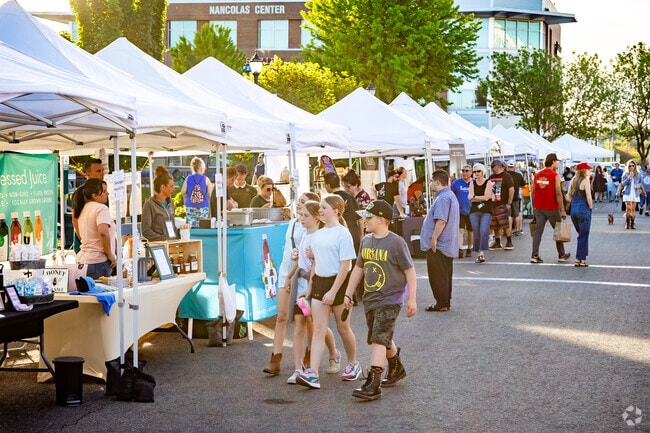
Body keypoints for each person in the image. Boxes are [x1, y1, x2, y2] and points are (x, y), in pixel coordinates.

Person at [342, 200, 417, 400]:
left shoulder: (396, 242)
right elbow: (358, 268)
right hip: (370, 299)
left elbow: (410, 270)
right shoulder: (366, 241)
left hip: (390, 299)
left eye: (368, 217)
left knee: (378, 336)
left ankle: (374, 381)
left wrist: (412, 298)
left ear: (381, 220)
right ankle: (396, 366)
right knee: (381, 337)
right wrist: (348, 294)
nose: (364, 221)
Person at [263, 193, 339, 379]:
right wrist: (289, 275)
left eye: (305, 205)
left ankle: (324, 355)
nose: (300, 207)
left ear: (316, 213)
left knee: (315, 323)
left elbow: (316, 258)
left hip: (308, 280)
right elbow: (296, 252)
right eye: (299, 204)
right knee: (285, 316)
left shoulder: (317, 232)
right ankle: (278, 357)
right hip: (291, 274)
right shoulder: (294, 224)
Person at [296, 195, 359, 389]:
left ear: (336, 210)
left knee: (342, 328)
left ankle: (353, 363)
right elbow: (316, 262)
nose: (320, 211)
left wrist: (333, 292)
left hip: (338, 284)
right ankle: (313, 373)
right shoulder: (319, 234)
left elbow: (346, 266)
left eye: (323, 208)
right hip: (320, 285)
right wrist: (310, 287)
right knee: (318, 330)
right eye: (320, 208)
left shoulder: (343, 234)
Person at [284, 200, 340, 384]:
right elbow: (300, 262)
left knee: (317, 324)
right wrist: (289, 277)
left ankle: (333, 352)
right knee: (299, 324)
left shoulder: (319, 236)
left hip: (313, 286)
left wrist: (310, 287)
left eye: (305, 216)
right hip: (301, 284)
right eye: (300, 215)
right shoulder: (304, 236)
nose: (301, 219)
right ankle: (298, 368)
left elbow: (318, 263)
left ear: (316, 217)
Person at [420, 169, 459, 312]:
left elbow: (441, 220)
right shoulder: (450, 195)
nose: (430, 184)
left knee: (437, 275)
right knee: (445, 274)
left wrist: (434, 238)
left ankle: (441, 302)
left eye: (431, 181)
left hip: (440, 245)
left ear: (437, 182)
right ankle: (444, 301)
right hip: (447, 244)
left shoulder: (443, 198)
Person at [530, 153, 570, 263]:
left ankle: (534, 255)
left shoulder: (537, 174)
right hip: (552, 207)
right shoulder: (554, 175)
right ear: (553, 162)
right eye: (556, 161)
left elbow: (534, 192)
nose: (557, 163)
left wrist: (534, 206)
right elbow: (558, 193)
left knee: (538, 232)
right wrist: (562, 210)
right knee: (558, 230)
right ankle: (561, 255)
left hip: (539, 207)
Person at [73, 178, 116, 280]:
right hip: (98, 261)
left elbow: (80, 234)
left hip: (83, 260)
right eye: (104, 191)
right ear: (94, 195)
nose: (108, 194)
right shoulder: (101, 209)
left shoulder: (82, 209)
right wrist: (110, 254)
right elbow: (103, 233)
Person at [72, 157, 105, 253]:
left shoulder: (103, 192)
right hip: (86, 249)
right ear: (88, 174)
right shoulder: (81, 192)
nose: (102, 174)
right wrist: (84, 241)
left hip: (100, 246)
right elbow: (75, 218)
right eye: (98, 171)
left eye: (102, 170)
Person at [323, 172, 362, 253]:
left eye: (325, 185)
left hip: (338, 238)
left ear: (328, 185)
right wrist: (361, 236)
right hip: (354, 236)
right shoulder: (350, 196)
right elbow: (360, 219)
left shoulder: (330, 200)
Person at [566, 162, 593, 267]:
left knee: (581, 234)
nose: (589, 171)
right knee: (583, 235)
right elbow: (588, 196)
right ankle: (580, 259)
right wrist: (590, 208)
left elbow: (568, 197)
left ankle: (581, 257)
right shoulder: (585, 180)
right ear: (584, 170)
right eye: (588, 169)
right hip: (583, 209)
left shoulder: (573, 180)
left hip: (574, 210)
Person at [142, 166, 177, 242]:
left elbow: (172, 227)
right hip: (158, 247)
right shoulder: (149, 204)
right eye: (171, 186)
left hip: (172, 245)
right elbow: (146, 230)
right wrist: (163, 238)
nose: (174, 189)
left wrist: (180, 232)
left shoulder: (171, 203)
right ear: (163, 187)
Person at [468, 163, 493, 264]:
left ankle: (482, 252)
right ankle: (479, 254)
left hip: (486, 210)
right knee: (476, 231)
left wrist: (475, 197)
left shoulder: (488, 182)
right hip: (474, 211)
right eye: (474, 171)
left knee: (483, 230)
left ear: (483, 172)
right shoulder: (472, 183)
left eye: (478, 171)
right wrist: (478, 198)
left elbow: (486, 197)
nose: (476, 173)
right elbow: (469, 197)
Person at [488, 160, 515, 251]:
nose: (492, 168)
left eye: (493, 166)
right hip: (492, 204)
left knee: (504, 224)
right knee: (495, 224)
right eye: (491, 166)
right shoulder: (491, 177)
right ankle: (497, 242)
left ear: (499, 166)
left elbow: (511, 189)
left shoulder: (506, 176)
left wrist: (509, 202)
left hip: (502, 203)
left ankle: (509, 241)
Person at [181, 157, 212, 227]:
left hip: (190, 206)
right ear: (202, 167)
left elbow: (183, 191)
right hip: (203, 207)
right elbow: (211, 195)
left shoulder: (188, 178)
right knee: (202, 226)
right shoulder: (206, 179)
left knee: (191, 226)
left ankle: (192, 237)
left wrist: (186, 197)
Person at [451, 164, 473, 258]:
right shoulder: (456, 183)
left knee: (470, 231)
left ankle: (469, 248)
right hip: (459, 210)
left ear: (471, 172)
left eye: (467, 171)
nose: (464, 173)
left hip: (472, 211)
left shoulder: (474, 183)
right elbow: (451, 195)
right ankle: (460, 249)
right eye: (463, 171)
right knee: (460, 230)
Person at [506, 160, 526, 236]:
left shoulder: (505, 175)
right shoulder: (518, 175)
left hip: (507, 197)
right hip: (516, 196)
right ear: (514, 167)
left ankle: (509, 230)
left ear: (507, 167)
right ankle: (517, 230)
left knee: (509, 215)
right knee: (516, 214)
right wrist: (517, 186)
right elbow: (523, 185)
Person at [621, 160, 642, 229]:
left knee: (633, 209)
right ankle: (627, 223)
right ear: (628, 166)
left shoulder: (638, 174)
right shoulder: (625, 174)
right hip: (627, 193)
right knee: (628, 208)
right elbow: (623, 184)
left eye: (633, 165)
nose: (631, 167)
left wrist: (638, 186)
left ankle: (632, 224)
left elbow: (641, 182)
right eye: (630, 166)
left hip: (635, 193)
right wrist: (628, 178)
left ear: (635, 166)